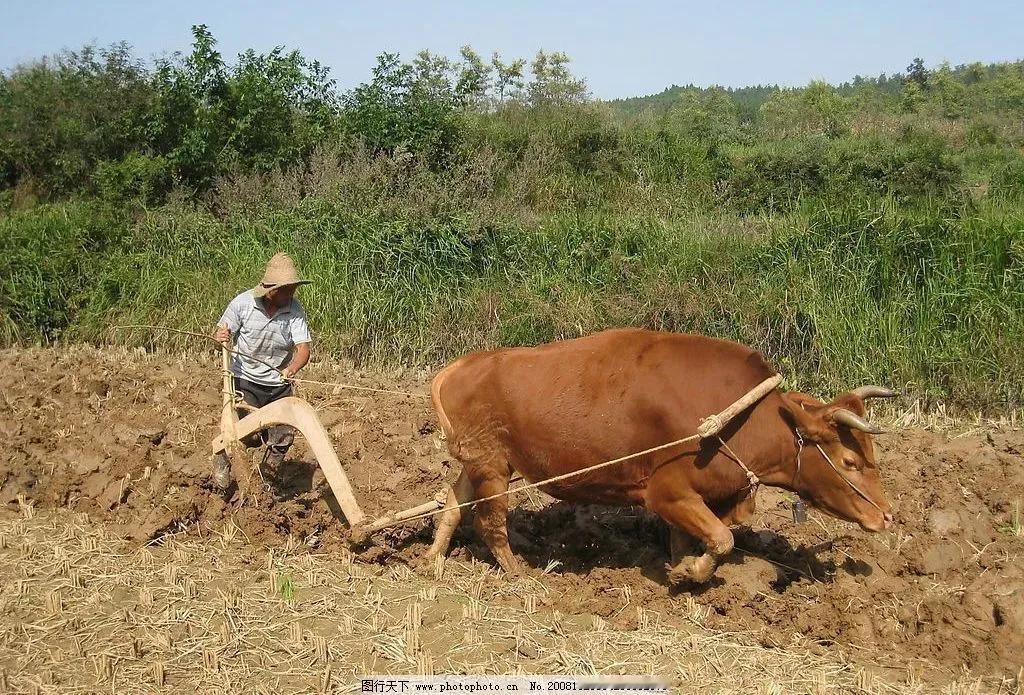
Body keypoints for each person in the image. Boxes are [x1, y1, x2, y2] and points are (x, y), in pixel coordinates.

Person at [211, 251, 313, 491]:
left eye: (293, 289)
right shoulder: (243, 303)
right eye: (287, 290)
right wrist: (221, 337)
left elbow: (303, 350)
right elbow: (222, 334)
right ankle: (223, 460)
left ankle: (265, 480)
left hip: (278, 385)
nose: (292, 294)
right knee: (246, 434)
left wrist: (291, 369)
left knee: (283, 437)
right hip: (246, 380)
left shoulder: (294, 310)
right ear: (271, 290)